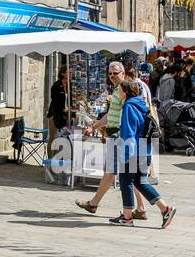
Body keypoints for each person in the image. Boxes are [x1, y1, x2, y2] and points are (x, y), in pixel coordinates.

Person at [76, 60, 147, 217]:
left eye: (116, 73)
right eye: (110, 74)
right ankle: (141, 208)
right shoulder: (118, 90)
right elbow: (111, 115)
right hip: (116, 136)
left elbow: (128, 113)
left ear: (123, 73)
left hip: (119, 137)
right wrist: (94, 127)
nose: (113, 76)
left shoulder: (124, 91)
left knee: (113, 172)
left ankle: (94, 204)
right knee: (122, 173)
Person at [109, 79, 177, 228]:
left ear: (125, 91)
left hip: (133, 150)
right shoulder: (141, 104)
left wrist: (126, 154)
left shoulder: (128, 106)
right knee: (140, 182)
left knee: (126, 181)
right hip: (144, 148)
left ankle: (127, 217)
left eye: (119, 89)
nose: (117, 92)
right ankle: (166, 209)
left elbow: (129, 132)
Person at [47, 66, 69, 144]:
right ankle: (50, 156)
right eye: (69, 72)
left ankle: (57, 156)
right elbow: (55, 101)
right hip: (55, 115)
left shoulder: (69, 86)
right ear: (63, 73)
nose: (71, 74)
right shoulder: (56, 85)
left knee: (59, 139)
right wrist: (64, 108)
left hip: (64, 116)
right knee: (52, 138)